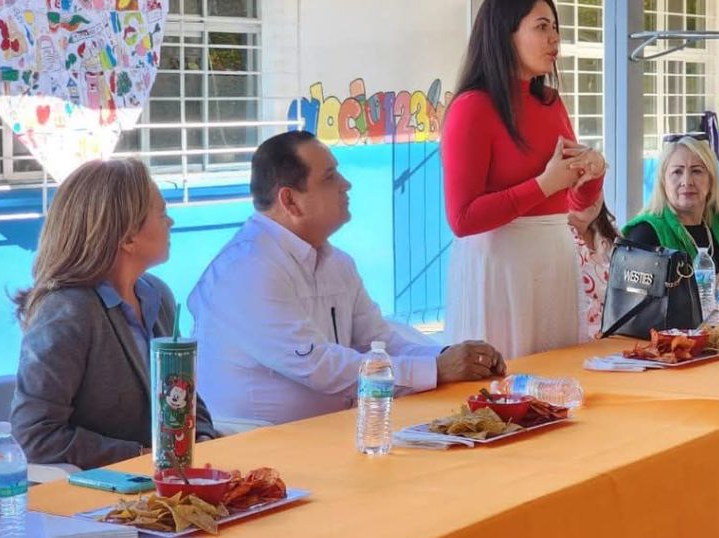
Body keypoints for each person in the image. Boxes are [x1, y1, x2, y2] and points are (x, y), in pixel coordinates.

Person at [188, 131, 506, 426]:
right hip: (255, 445)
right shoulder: (248, 268)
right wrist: (436, 369)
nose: (346, 184)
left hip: (333, 433)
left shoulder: (336, 262)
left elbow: (380, 343)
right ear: (290, 201)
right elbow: (317, 365)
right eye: (330, 178)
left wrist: (453, 358)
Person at [10, 159, 217, 470]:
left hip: (167, 482)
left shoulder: (156, 295)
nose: (170, 222)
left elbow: (182, 395)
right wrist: (142, 455)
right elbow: (34, 436)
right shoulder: (68, 311)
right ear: (127, 238)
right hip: (102, 491)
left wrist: (202, 437)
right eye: (161, 214)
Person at [442, 0, 606, 358]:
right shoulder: (472, 107)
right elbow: (463, 218)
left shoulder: (551, 102)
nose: (555, 39)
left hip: (554, 258)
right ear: (506, 33)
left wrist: (592, 174)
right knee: (506, 381)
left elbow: (575, 206)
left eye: (555, 28)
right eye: (542, 27)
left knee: (558, 379)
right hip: (501, 267)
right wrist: (543, 184)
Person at [623, 136, 719, 299]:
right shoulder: (645, 233)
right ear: (663, 181)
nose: (687, 181)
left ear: (711, 180)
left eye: (696, 171)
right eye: (677, 172)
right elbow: (633, 301)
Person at [568, 194, 619, 340]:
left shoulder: (612, 236)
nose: (587, 194)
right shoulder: (555, 241)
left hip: (616, 343)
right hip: (573, 344)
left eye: (594, 185)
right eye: (576, 185)